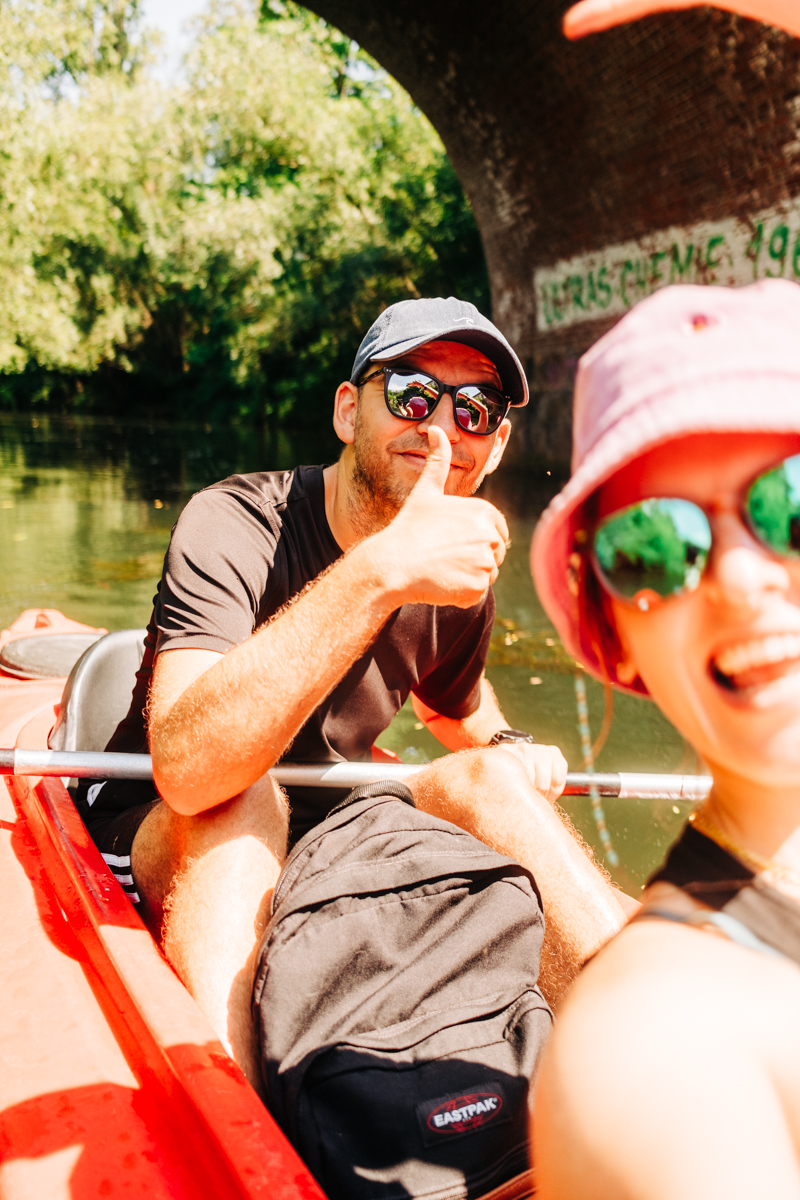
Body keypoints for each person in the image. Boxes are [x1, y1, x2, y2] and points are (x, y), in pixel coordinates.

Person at [77, 296, 630, 1091]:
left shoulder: (456, 581)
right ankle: (235, 1120)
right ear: (348, 410)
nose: (440, 428)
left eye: (474, 410)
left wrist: (505, 750)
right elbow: (189, 771)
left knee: (488, 781)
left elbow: (457, 708)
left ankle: (657, 1071)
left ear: (497, 444)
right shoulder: (236, 522)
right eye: (411, 393)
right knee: (242, 800)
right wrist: (383, 569)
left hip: (340, 832)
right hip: (175, 826)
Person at [530, 278, 800, 1198]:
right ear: (615, 639)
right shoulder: (657, 1052)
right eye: (654, 546)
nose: (737, 577)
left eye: (792, 505)